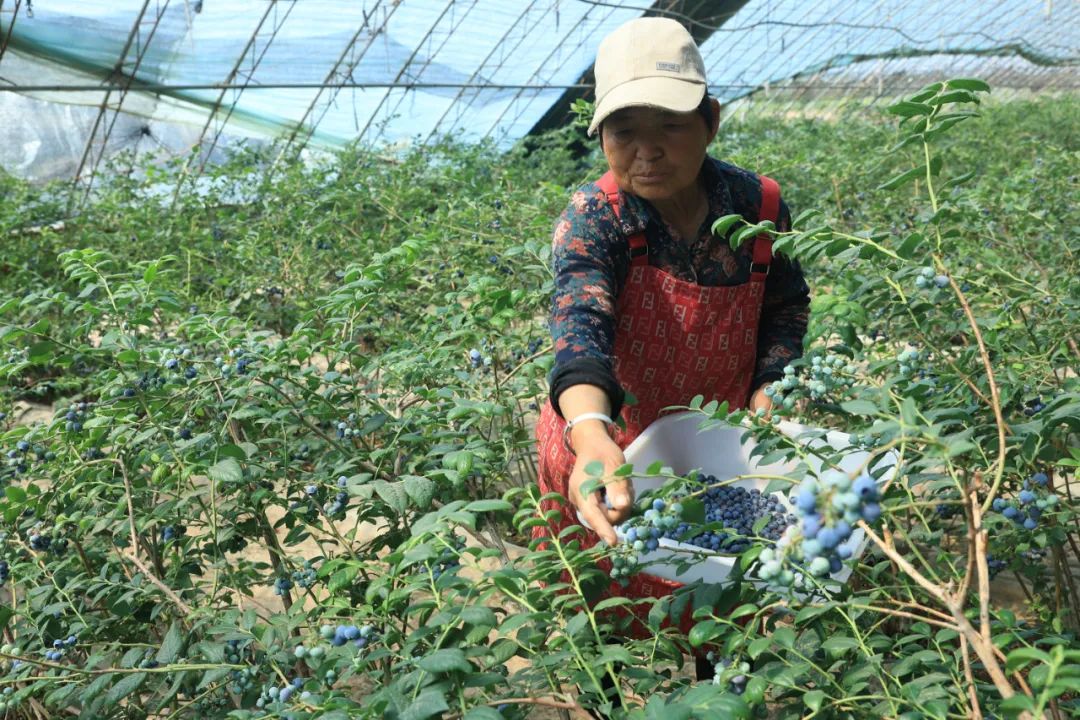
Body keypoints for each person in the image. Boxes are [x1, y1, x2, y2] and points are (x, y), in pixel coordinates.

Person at [532, 15, 811, 683]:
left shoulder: (758, 207)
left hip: (712, 443)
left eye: (670, 126)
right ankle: (604, 693)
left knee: (716, 590)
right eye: (624, 132)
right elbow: (579, 326)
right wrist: (594, 440)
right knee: (602, 597)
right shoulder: (595, 218)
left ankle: (712, 689)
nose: (646, 151)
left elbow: (785, 306)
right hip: (606, 440)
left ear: (711, 121)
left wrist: (769, 391)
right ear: (599, 134)